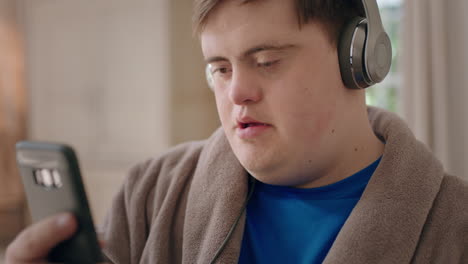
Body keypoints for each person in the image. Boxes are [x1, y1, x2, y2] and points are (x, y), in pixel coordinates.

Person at [6, 0, 468, 263]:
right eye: (220, 68)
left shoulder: (456, 228)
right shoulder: (151, 193)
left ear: (359, 61)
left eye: (268, 61)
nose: (237, 92)